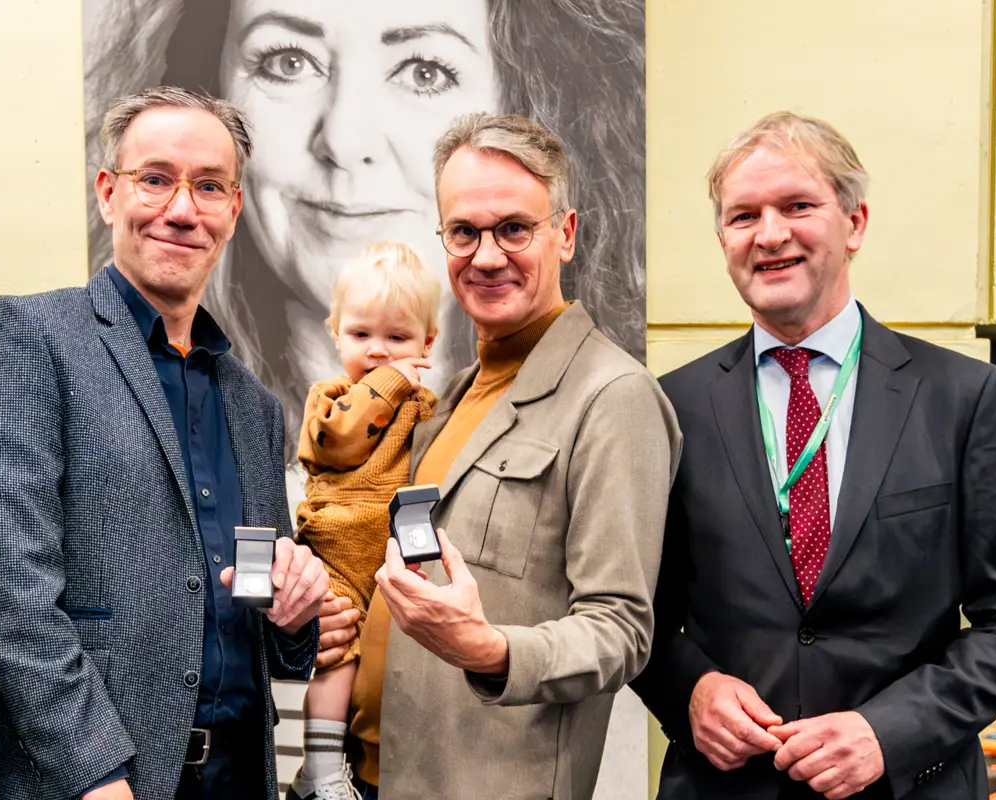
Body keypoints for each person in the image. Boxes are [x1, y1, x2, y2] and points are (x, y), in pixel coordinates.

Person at [629, 111, 996, 799]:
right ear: (723, 241)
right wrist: (691, 690)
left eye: (797, 206)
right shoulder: (667, 407)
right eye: (744, 216)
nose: (770, 234)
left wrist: (888, 732)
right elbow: (630, 610)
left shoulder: (961, 396)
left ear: (855, 223)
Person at [0, 85, 329, 800]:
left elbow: (276, 635)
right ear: (108, 193)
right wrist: (97, 774)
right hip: (100, 784)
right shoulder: (32, 339)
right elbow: (13, 598)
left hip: (240, 775)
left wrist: (296, 614)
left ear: (233, 211)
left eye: (209, 187)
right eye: (155, 179)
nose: (181, 210)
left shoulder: (255, 407)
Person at [82, 0, 646, 471]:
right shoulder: (127, 402)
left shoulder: (602, 412)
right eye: (288, 61)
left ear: (519, 106)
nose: (346, 139)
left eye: (424, 71)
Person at [325, 112, 680, 800]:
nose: (486, 256)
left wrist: (489, 651)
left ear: (566, 235)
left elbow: (620, 631)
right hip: (371, 779)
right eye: (463, 232)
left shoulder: (613, 397)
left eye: (514, 228)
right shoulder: (453, 396)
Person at [286, 241, 441, 800]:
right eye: (360, 335)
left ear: (428, 343)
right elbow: (347, 436)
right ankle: (319, 770)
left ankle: (359, 761)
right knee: (337, 657)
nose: (378, 352)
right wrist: (396, 378)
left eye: (397, 338)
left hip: (391, 559)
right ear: (334, 331)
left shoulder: (426, 408)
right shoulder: (329, 402)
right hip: (338, 550)